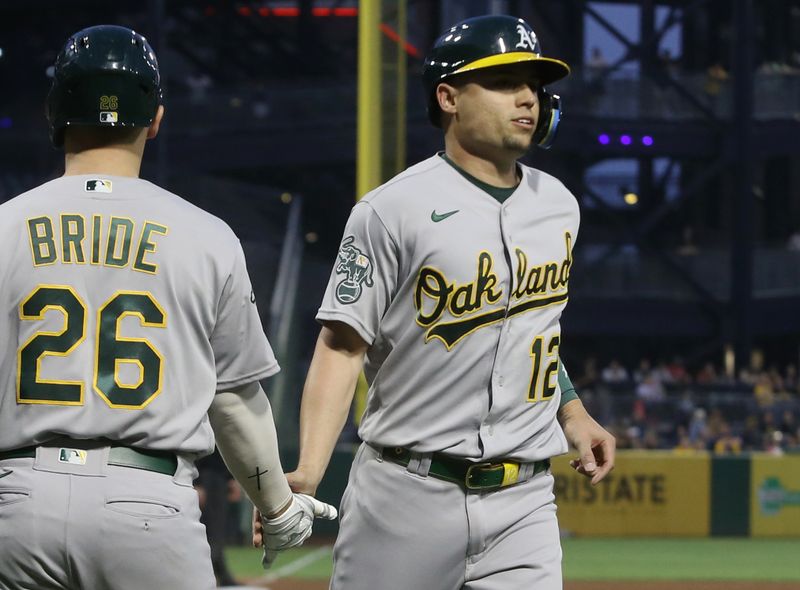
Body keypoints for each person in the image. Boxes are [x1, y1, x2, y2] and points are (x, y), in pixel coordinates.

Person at [254, 15, 615, 590]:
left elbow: (526, 326)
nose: (527, 98)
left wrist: (572, 412)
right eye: (502, 82)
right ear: (447, 97)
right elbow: (342, 346)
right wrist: (309, 472)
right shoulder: (390, 210)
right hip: (405, 495)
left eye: (534, 85)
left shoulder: (559, 205)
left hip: (524, 503)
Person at [0, 25, 335, 590]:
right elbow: (232, 399)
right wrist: (276, 507)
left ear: (54, 113)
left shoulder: (5, 225)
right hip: (147, 505)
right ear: (155, 119)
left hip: (18, 498)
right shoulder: (205, 236)